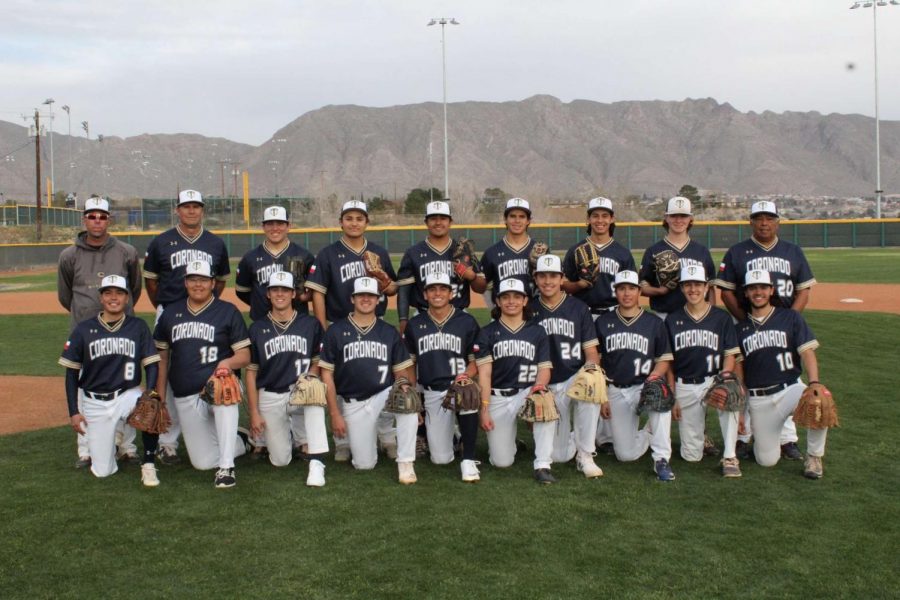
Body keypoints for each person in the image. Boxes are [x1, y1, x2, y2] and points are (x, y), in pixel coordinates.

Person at [715, 200, 816, 461]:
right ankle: (742, 435)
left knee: (786, 375)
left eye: (769, 218)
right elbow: (726, 291)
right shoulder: (737, 252)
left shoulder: (792, 251)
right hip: (747, 322)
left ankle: (788, 439)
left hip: (784, 324)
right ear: (751, 221)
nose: (764, 223)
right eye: (759, 218)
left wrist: (790, 319)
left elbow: (803, 289)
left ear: (777, 221)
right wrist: (744, 319)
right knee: (749, 376)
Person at [304, 200, 398, 462]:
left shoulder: (378, 252)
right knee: (344, 381)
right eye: (349, 218)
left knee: (383, 379)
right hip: (338, 324)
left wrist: (382, 277)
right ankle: (342, 439)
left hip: (375, 323)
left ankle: (387, 435)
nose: (354, 222)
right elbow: (318, 293)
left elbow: (392, 290)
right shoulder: (328, 254)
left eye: (359, 218)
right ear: (341, 222)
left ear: (367, 222)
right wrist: (323, 328)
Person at [143, 189, 231, 465]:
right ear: (177, 210)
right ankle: (167, 442)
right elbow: (151, 281)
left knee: (203, 369)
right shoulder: (162, 242)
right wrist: (166, 307)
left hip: (206, 314)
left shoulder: (215, 243)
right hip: (170, 311)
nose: (191, 211)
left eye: (196, 206)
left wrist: (207, 303)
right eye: (186, 206)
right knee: (166, 374)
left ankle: (212, 429)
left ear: (202, 210)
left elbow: (219, 282)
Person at [57, 196, 142, 468]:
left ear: (109, 220)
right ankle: (86, 449)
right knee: (85, 387)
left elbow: (134, 289)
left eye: (102, 216)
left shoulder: (126, 251)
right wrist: (84, 317)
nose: (97, 221)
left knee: (126, 386)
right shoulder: (69, 255)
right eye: (92, 216)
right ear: (84, 219)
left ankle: (127, 446)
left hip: (122, 331)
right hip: (85, 331)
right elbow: (65, 295)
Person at [396, 200, 482, 458]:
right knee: (423, 376)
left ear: (450, 222)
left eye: (442, 218)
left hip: (458, 314)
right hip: (422, 316)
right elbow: (404, 289)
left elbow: (479, 286)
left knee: (461, 371)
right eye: (433, 218)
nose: (438, 222)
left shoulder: (462, 250)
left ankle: (464, 431)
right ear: (426, 222)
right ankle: (425, 431)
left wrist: (468, 273)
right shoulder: (414, 252)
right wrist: (403, 320)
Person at [153, 261, 251, 488]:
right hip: (185, 393)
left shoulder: (227, 311)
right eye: (193, 279)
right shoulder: (170, 314)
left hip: (218, 385)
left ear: (213, 283)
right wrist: (159, 396)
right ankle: (240, 440)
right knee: (203, 462)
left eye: (204, 280)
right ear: (185, 282)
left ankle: (227, 468)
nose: (198, 285)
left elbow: (244, 355)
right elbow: (162, 358)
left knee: (223, 388)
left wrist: (227, 362)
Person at [58, 275, 162, 487]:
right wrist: (74, 412)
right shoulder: (84, 330)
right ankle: (110, 445)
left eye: (119, 293)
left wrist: (150, 393)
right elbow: (71, 374)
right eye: (108, 293)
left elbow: (152, 364)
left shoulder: (138, 327)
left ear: (127, 298)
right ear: (101, 298)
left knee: (152, 409)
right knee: (103, 471)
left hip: (126, 395)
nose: (113, 298)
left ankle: (149, 465)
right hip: (94, 402)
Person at [318, 277, 418, 483]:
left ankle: (406, 463)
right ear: (352, 299)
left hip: (384, 395)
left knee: (408, 401)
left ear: (378, 299)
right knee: (364, 465)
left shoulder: (388, 332)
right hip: (353, 403)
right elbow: (326, 374)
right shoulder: (335, 332)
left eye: (370, 295)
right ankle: (377, 438)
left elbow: (401, 371)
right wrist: (335, 414)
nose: (366, 299)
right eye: (361, 295)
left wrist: (404, 385)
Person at [235, 205, 315, 459]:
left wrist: (299, 297)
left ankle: (302, 437)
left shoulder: (303, 255)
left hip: (298, 323)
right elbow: (242, 291)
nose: (275, 228)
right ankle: (260, 435)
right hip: (263, 323)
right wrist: (262, 306)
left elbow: (310, 291)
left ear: (288, 225)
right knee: (262, 375)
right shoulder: (251, 258)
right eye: (270, 224)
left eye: (280, 223)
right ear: (263, 227)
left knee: (300, 375)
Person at [733, 270, 829, 479]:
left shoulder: (790, 317)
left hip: (790, 389)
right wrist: (741, 410)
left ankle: (814, 457)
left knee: (818, 402)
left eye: (763, 287)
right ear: (747, 293)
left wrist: (814, 383)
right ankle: (766, 440)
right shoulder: (740, 329)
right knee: (766, 461)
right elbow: (739, 373)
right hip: (760, 399)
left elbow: (807, 352)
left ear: (771, 290)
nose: (758, 292)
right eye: (753, 288)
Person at [561, 197, 635, 456]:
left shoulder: (622, 253)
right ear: (589, 219)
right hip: (584, 316)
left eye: (605, 215)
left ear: (612, 219)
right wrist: (581, 284)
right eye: (595, 215)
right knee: (584, 372)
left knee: (608, 372)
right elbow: (564, 285)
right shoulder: (576, 250)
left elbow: (631, 289)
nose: (600, 220)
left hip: (613, 315)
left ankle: (604, 434)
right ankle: (578, 432)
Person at [246, 272, 328, 486]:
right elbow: (251, 372)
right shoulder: (257, 328)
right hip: (270, 393)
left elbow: (318, 359)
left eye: (284, 290)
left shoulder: (310, 324)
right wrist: (254, 412)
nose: (279, 294)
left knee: (315, 395)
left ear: (293, 294)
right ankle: (285, 434)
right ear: (268, 294)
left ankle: (316, 463)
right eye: (275, 290)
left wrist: (311, 375)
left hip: (299, 390)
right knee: (280, 460)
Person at [595, 270, 676, 481]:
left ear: (639, 291)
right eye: (622, 288)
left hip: (644, 386)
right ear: (616, 292)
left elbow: (664, 359)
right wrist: (603, 395)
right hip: (616, 389)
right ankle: (649, 432)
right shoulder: (603, 322)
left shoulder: (654, 323)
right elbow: (598, 363)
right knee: (625, 455)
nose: (627, 293)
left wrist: (654, 377)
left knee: (659, 394)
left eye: (631, 288)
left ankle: (661, 459)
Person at [402, 273, 482, 482]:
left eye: (443, 289)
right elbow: (410, 363)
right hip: (432, 390)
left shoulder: (466, 321)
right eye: (432, 289)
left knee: (467, 392)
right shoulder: (415, 324)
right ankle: (455, 437)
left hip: (459, 385)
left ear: (451, 293)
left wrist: (466, 377)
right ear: (425, 294)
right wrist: (413, 393)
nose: (438, 293)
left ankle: (468, 459)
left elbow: (476, 361)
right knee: (441, 459)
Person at [531, 254, 605, 478]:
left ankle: (586, 454)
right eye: (542, 276)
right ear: (535, 279)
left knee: (592, 383)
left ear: (562, 278)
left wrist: (592, 369)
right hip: (546, 382)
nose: (548, 281)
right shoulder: (529, 309)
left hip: (573, 377)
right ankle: (574, 438)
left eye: (553, 276)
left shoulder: (579, 308)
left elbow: (591, 351)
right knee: (560, 455)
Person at [664, 266, 742, 477]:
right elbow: (668, 362)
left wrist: (725, 378)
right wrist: (672, 394)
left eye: (698, 284)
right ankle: (701, 438)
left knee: (730, 396)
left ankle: (729, 455)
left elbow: (730, 354)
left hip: (713, 380)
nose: (693, 289)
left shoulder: (721, 318)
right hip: (685, 384)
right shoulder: (672, 319)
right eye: (688, 284)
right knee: (691, 456)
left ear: (706, 287)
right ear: (682, 288)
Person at [476, 279, 555, 483]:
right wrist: (484, 409)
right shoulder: (486, 333)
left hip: (526, 391)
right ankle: (512, 443)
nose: (511, 301)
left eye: (517, 297)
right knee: (501, 462)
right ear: (498, 302)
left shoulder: (537, 331)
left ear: (525, 300)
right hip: (498, 396)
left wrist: (537, 390)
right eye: (506, 297)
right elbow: (484, 374)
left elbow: (544, 368)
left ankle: (543, 465)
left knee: (544, 402)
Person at [639, 196, 716, 321]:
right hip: (664, 316)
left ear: (690, 218)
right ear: (666, 218)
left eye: (683, 216)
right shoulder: (653, 251)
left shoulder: (701, 251)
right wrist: (660, 291)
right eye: (674, 216)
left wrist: (711, 317)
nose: (678, 220)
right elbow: (641, 286)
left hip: (697, 317)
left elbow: (711, 286)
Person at [478, 198, 542, 303]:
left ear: (528, 221)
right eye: (512, 216)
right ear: (505, 219)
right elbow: (484, 288)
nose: (517, 221)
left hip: (534, 315)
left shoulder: (540, 251)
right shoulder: (491, 253)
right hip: (503, 314)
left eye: (522, 216)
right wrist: (494, 308)